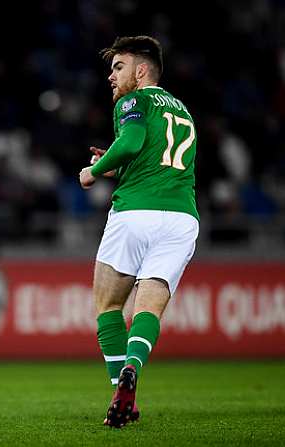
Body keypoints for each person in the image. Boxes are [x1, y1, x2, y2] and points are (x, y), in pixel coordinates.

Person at [79, 36, 200, 428]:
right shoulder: (182, 112)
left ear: (141, 71)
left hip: (136, 212)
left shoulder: (134, 101)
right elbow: (154, 159)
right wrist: (118, 166)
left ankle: (120, 389)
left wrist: (94, 172)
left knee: (109, 306)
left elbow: (130, 142)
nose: (111, 78)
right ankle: (133, 370)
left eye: (119, 67)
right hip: (182, 219)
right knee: (148, 308)